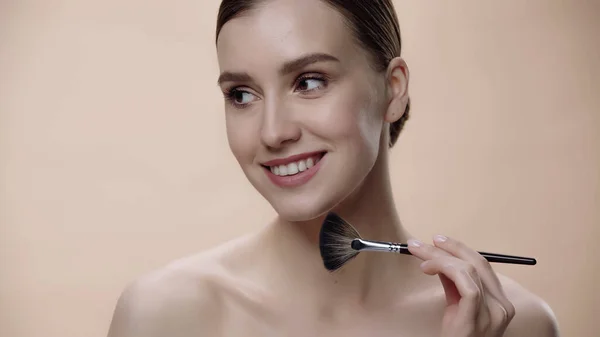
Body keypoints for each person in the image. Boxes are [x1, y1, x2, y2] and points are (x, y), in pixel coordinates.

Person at [107, 0, 560, 336]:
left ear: (393, 88)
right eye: (242, 94)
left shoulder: (515, 324)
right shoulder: (164, 316)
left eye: (309, 82)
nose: (272, 132)